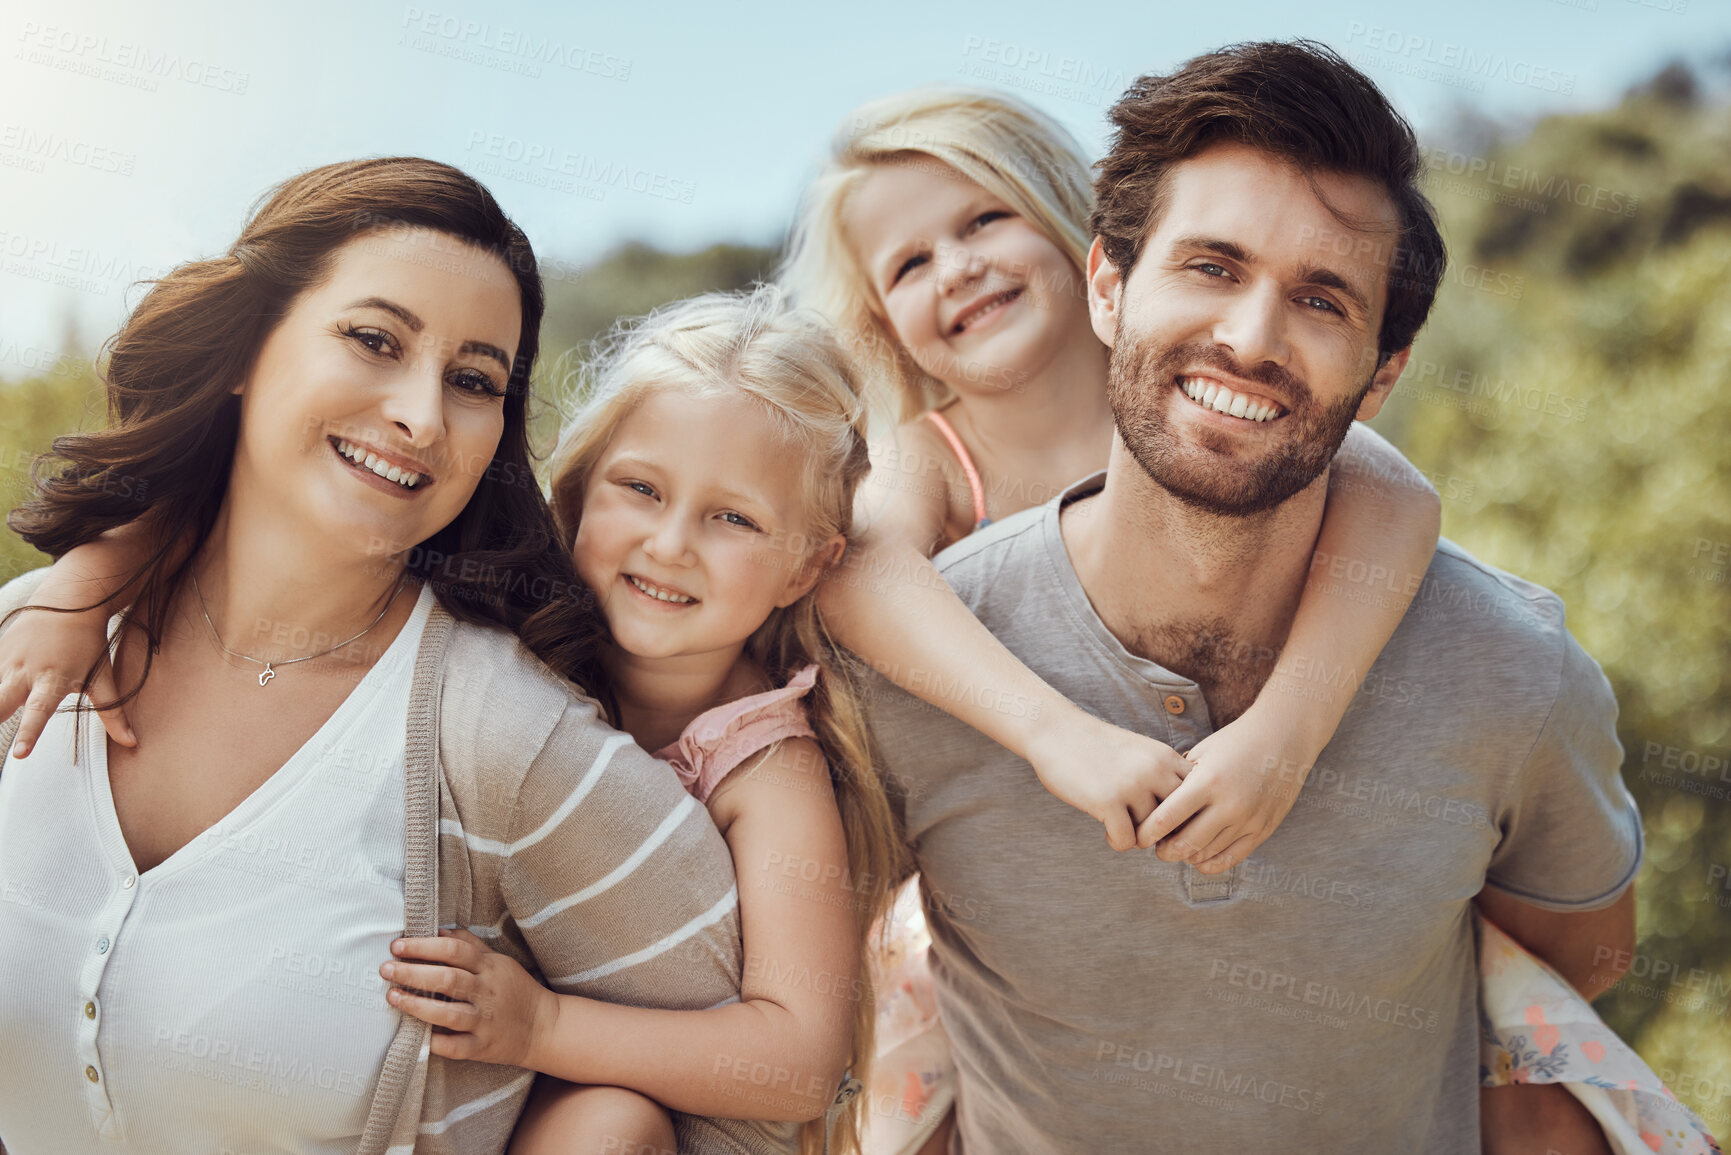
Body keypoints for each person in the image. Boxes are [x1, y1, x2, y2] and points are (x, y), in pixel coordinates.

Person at [853, 42, 1651, 1153]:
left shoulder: (1509, 666)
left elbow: (1573, 971)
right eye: (1211, 268)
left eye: (1322, 300)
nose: (1250, 338)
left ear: (1383, 375)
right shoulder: (919, 663)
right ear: (1108, 286)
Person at [0, 159, 764, 1155]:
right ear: (248, 347)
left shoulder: (502, 740)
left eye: (473, 381)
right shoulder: (37, 636)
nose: (421, 416)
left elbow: (749, 1087)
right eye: (373, 340)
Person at [780, 85, 1440, 1154]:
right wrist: (1057, 736)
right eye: (908, 265)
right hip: (1033, 905)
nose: (957, 268)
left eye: (983, 219)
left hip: (1289, 885)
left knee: (1522, 1037)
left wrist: (1286, 735)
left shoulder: (1198, 386)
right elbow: (857, 569)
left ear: (1085, 240)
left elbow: (1398, 497)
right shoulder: (928, 458)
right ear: (878, 319)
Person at [378, 288, 901, 1155]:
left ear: (806, 567)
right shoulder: (499, 636)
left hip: (595, 1084)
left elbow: (803, 1058)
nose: (668, 544)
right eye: (640, 489)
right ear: (578, 490)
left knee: (610, 1129)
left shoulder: (763, 764)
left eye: (732, 517)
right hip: (424, 1056)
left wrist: (543, 1027)